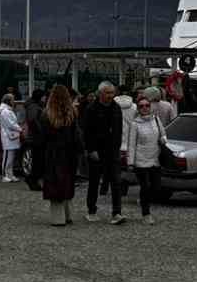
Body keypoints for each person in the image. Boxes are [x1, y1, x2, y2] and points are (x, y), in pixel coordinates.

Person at [39, 84, 83, 226]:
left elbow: (43, 137)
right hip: (69, 153)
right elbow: (77, 136)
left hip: (52, 153)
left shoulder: (46, 115)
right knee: (67, 183)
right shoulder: (72, 114)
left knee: (54, 184)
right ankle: (68, 214)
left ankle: (58, 218)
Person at [82, 82, 126, 224]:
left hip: (112, 150)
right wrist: (91, 149)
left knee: (116, 182)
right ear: (100, 93)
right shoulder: (91, 109)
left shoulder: (116, 108)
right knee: (94, 181)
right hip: (96, 150)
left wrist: (118, 148)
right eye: (107, 93)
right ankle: (91, 210)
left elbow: (119, 130)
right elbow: (87, 131)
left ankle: (117, 212)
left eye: (112, 93)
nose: (110, 96)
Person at [125, 93, 168, 224]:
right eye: (141, 106)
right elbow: (131, 144)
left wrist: (163, 139)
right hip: (140, 160)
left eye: (147, 105)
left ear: (150, 107)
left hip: (155, 158)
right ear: (138, 108)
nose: (144, 108)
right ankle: (146, 213)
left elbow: (163, 134)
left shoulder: (156, 119)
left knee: (156, 187)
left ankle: (145, 201)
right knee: (145, 187)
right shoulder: (134, 124)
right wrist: (130, 162)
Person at [22, 88, 47, 192]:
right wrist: (41, 131)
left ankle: (33, 180)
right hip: (36, 138)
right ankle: (32, 180)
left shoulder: (35, 106)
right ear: (40, 97)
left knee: (38, 161)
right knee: (38, 161)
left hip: (36, 137)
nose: (45, 98)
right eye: (44, 96)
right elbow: (33, 121)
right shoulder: (34, 107)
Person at [0, 93, 22, 182]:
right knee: (7, 156)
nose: (14, 101)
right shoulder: (5, 111)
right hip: (8, 136)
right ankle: (5, 175)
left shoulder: (8, 110)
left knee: (11, 157)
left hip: (11, 136)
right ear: (8, 101)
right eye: (12, 99)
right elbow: (10, 124)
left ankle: (10, 174)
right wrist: (20, 129)